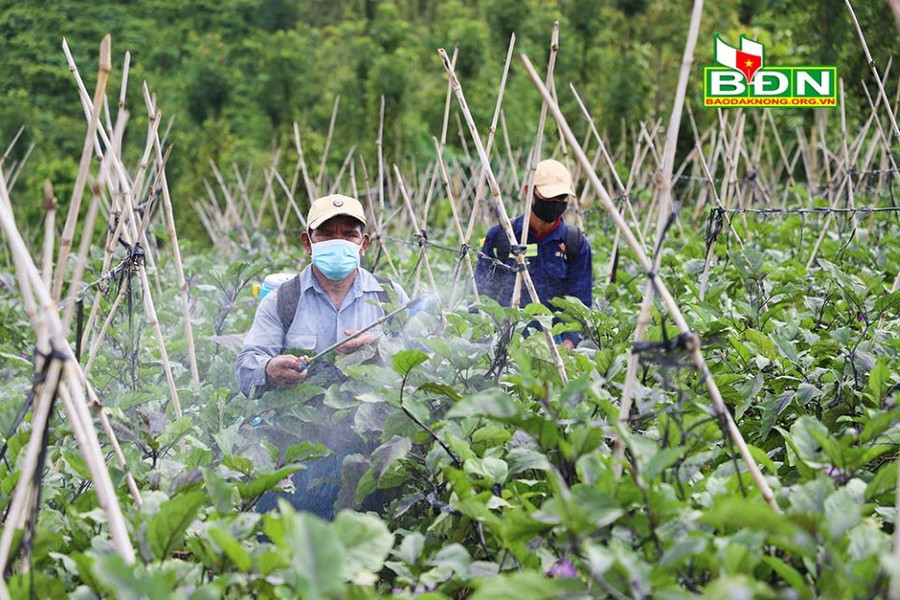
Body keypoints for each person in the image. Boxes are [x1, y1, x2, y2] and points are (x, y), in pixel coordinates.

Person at [234, 193, 408, 518]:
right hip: (298, 442)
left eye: (349, 234)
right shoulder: (283, 301)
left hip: (371, 442)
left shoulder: (390, 296)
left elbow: (420, 358)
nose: (338, 241)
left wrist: (381, 351)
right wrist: (271, 369)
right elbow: (246, 367)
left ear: (364, 243)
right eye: (327, 234)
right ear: (308, 242)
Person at [474, 159, 592, 348]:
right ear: (529, 191)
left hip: (556, 344)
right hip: (505, 342)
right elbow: (480, 294)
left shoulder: (575, 244)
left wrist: (567, 346)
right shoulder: (502, 237)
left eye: (562, 198)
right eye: (549, 197)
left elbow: (580, 305)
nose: (555, 203)